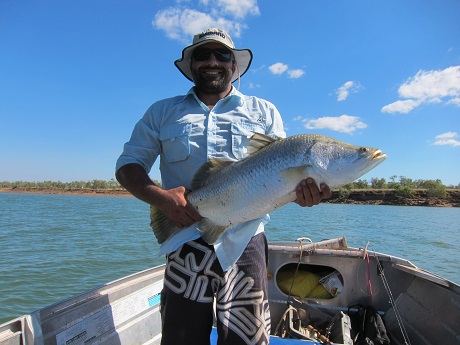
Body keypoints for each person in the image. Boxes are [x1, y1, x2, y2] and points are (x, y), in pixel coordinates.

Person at [115, 28, 331, 345]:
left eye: (223, 55)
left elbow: (282, 177)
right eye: (203, 55)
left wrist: (304, 193)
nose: (212, 61)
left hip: (246, 242)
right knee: (181, 338)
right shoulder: (162, 112)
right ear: (191, 64)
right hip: (185, 239)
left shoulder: (264, 112)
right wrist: (160, 198)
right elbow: (127, 166)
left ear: (234, 65)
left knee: (248, 339)